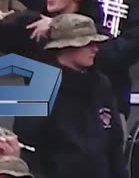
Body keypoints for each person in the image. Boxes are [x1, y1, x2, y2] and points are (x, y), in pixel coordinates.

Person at [14, 14, 127, 178]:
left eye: (95, 43)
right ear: (64, 47)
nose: (95, 49)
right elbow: (29, 149)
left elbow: (115, 146)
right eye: (87, 43)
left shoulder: (101, 84)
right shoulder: (39, 86)